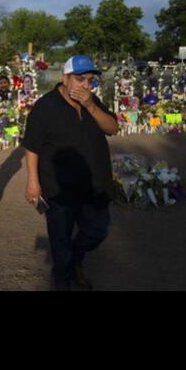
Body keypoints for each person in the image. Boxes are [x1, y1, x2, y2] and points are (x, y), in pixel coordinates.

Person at [21, 55, 119, 291]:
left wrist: (91, 106)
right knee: (60, 239)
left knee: (98, 230)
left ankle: (74, 261)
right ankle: (62, 279)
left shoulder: (92, 101)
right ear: (65, 78)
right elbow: (32, 146)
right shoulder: (45, 107)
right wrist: (33, 182)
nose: (86, 85)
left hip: (94, 185)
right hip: (59, 187)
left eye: (90, 80)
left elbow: (113, 128)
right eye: (80, 79)